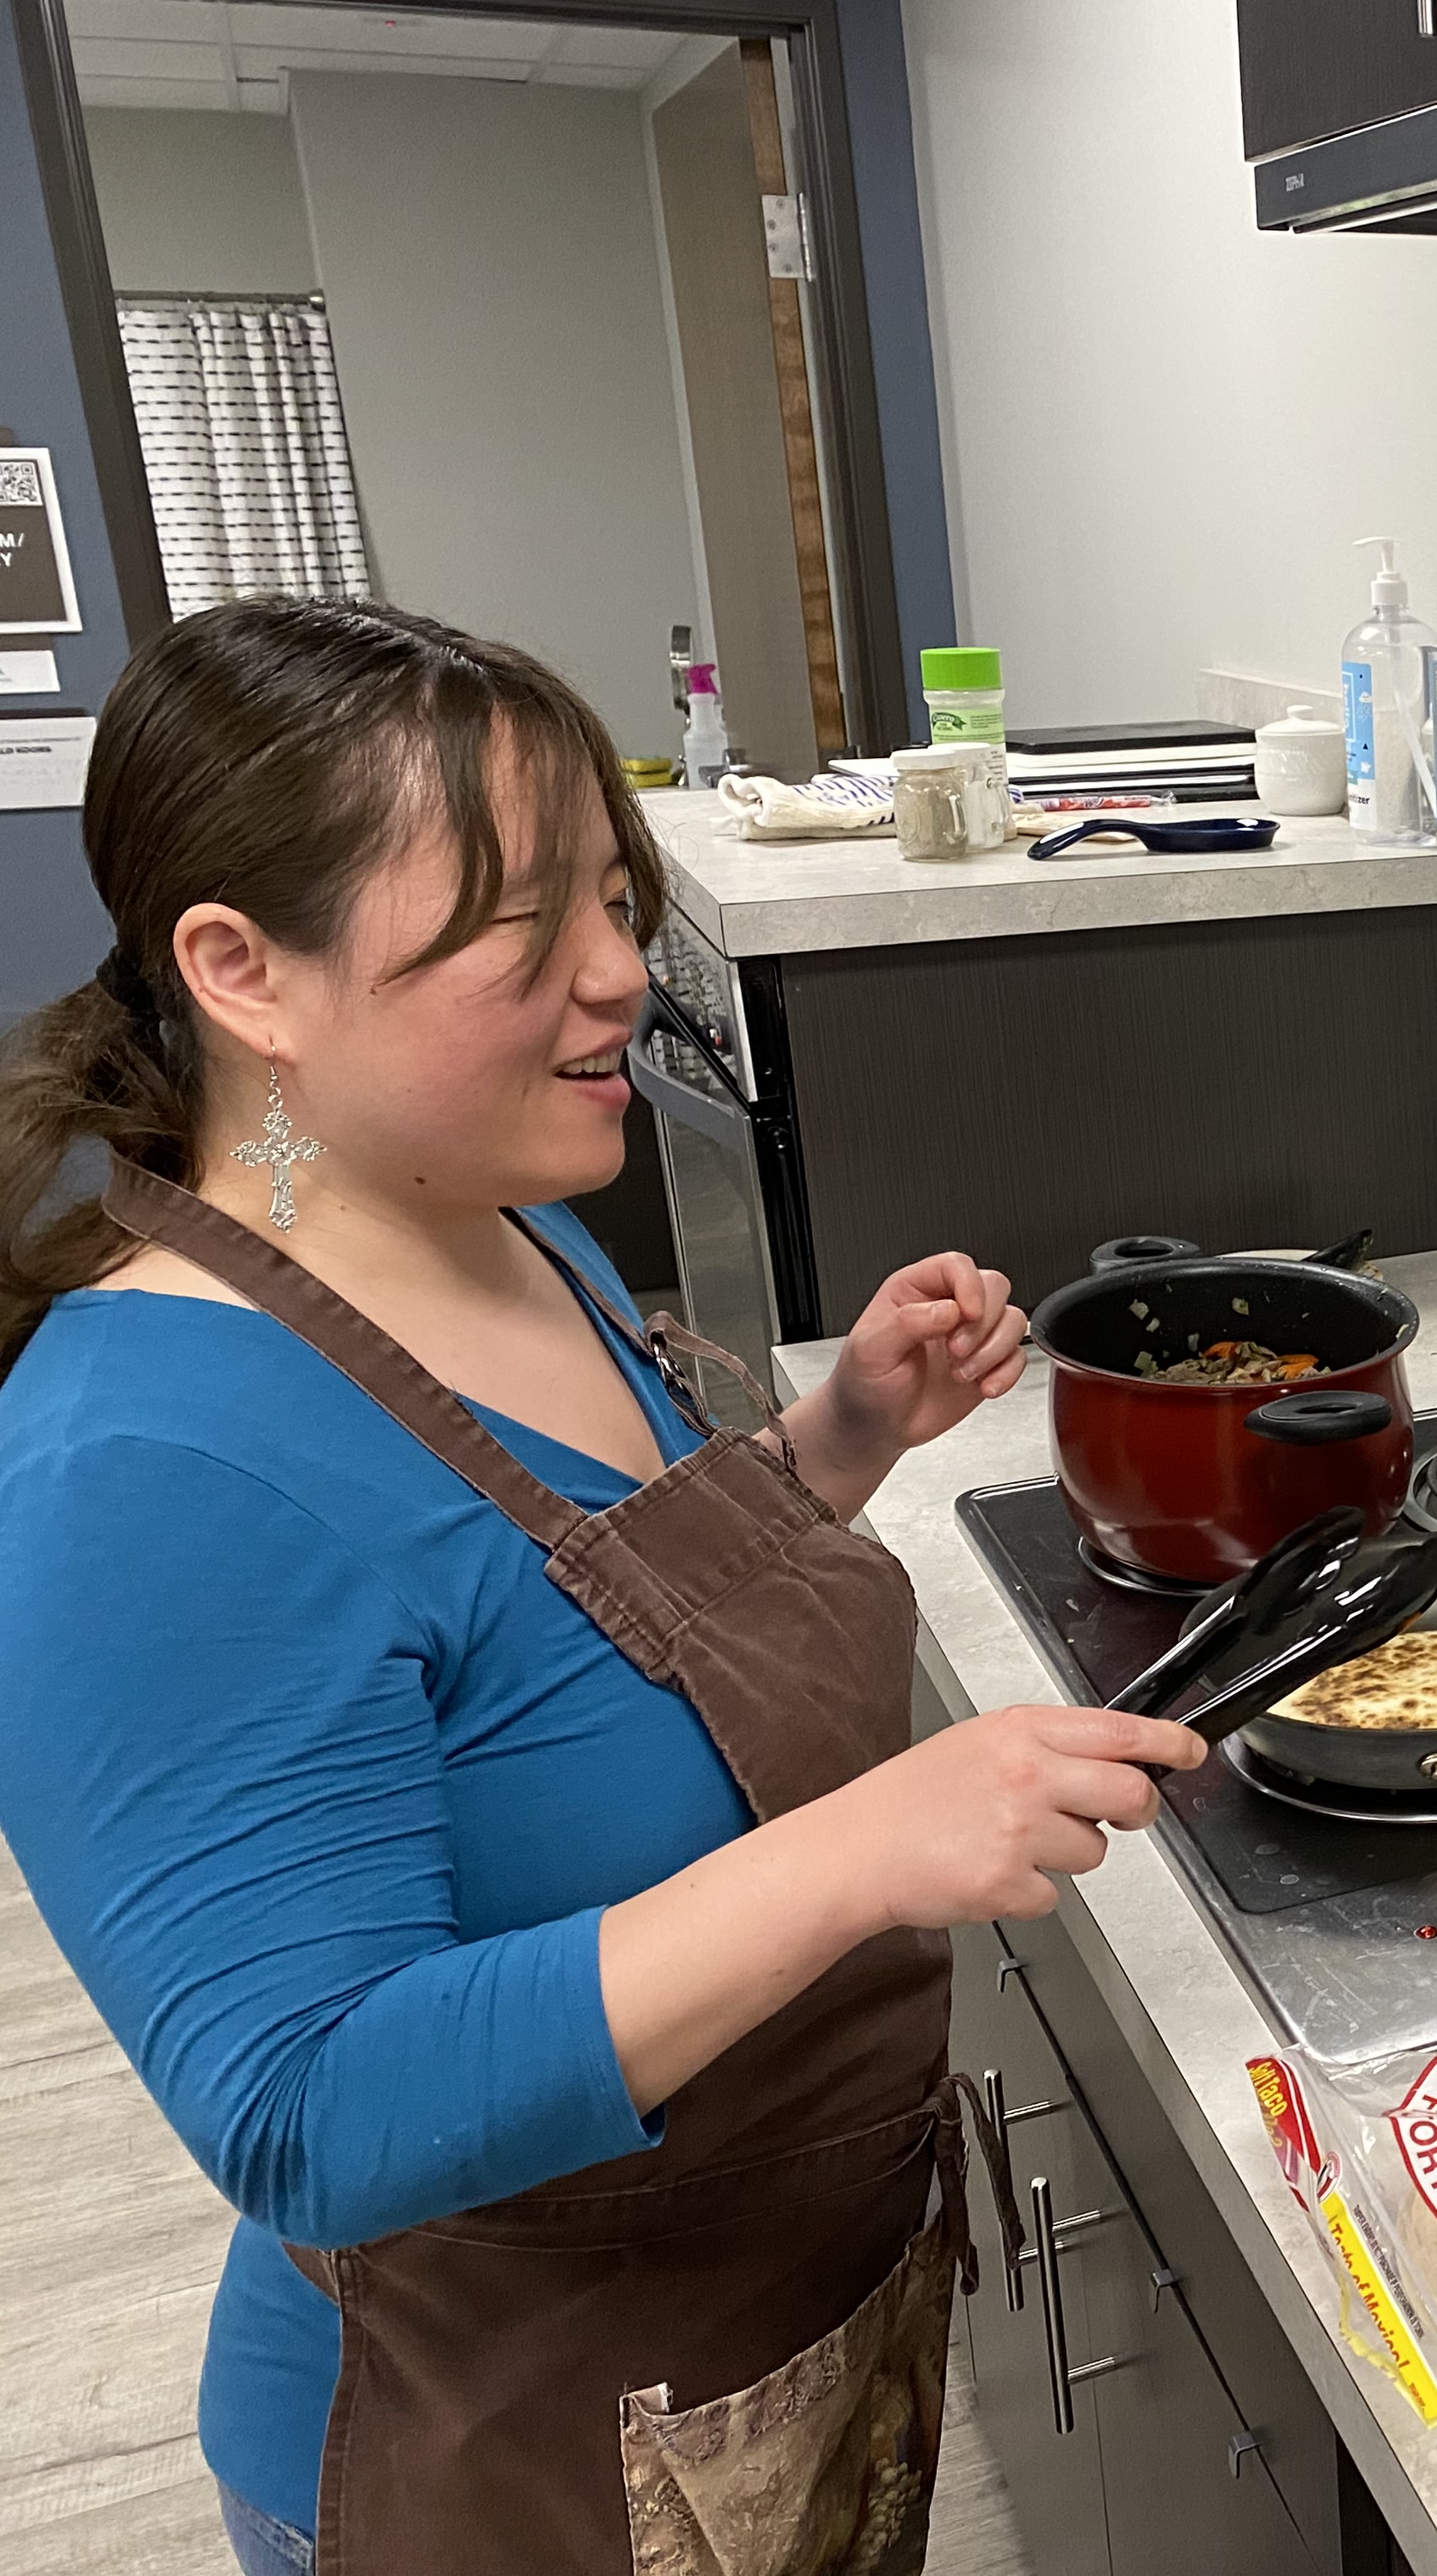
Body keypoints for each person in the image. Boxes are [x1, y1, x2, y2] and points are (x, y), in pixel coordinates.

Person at [0, 600, 1204, 2576]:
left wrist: (836, 1449)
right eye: (519, 928)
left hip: (772, 2353)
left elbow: (561, 1618)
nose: (617, 979)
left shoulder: (492, 1218)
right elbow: (307, 2101)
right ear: (242, 971)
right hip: (516, 2460)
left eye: (617, 902)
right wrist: (866, 1849)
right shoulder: (148, 1468)